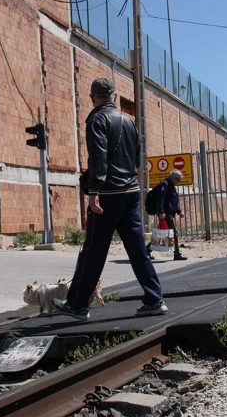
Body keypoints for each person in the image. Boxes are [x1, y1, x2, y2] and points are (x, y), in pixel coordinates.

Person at [52, 78, 167, 321]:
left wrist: (94, 192)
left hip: (107, 195)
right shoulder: (129, 121)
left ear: (92, 96)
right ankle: (154, 298)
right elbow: (136, 158)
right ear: (114, 96)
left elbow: (98, 157)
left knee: (93, 251)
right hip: (130, 192)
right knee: (137, 249)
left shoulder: (97, 119)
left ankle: (77, 305)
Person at [151, 170, 187, 261]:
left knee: (161, 234)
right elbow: (160, 200)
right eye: (178, 179)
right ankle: (177, 254)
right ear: (173, 177)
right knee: (174, 233)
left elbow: (172, 201)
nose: (178, 182)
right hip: (166, 214)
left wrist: (179, 211)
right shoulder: (165, 184)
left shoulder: (171, 186)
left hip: (169, 213)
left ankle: (147, 251)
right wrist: (161, 212)